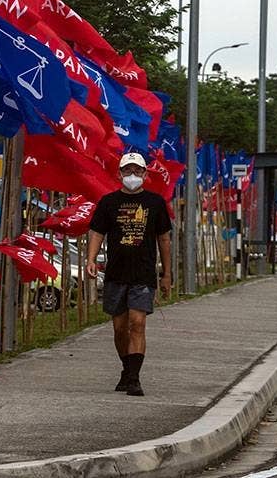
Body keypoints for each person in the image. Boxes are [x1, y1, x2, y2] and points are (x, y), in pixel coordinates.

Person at [85, 152, 172, 397]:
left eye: (137, 171)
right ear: (119, 174)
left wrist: (167, 274)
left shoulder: (155, 203)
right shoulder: (108, 203)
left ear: (145, 174)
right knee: (120, 328)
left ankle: (134, 378)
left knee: (138, 323)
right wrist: (90, 260)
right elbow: (97, 232)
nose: (132, 176)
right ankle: (127, 368)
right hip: (116, 274)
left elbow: (164, 239)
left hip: (143, 275)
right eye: (127, 171)